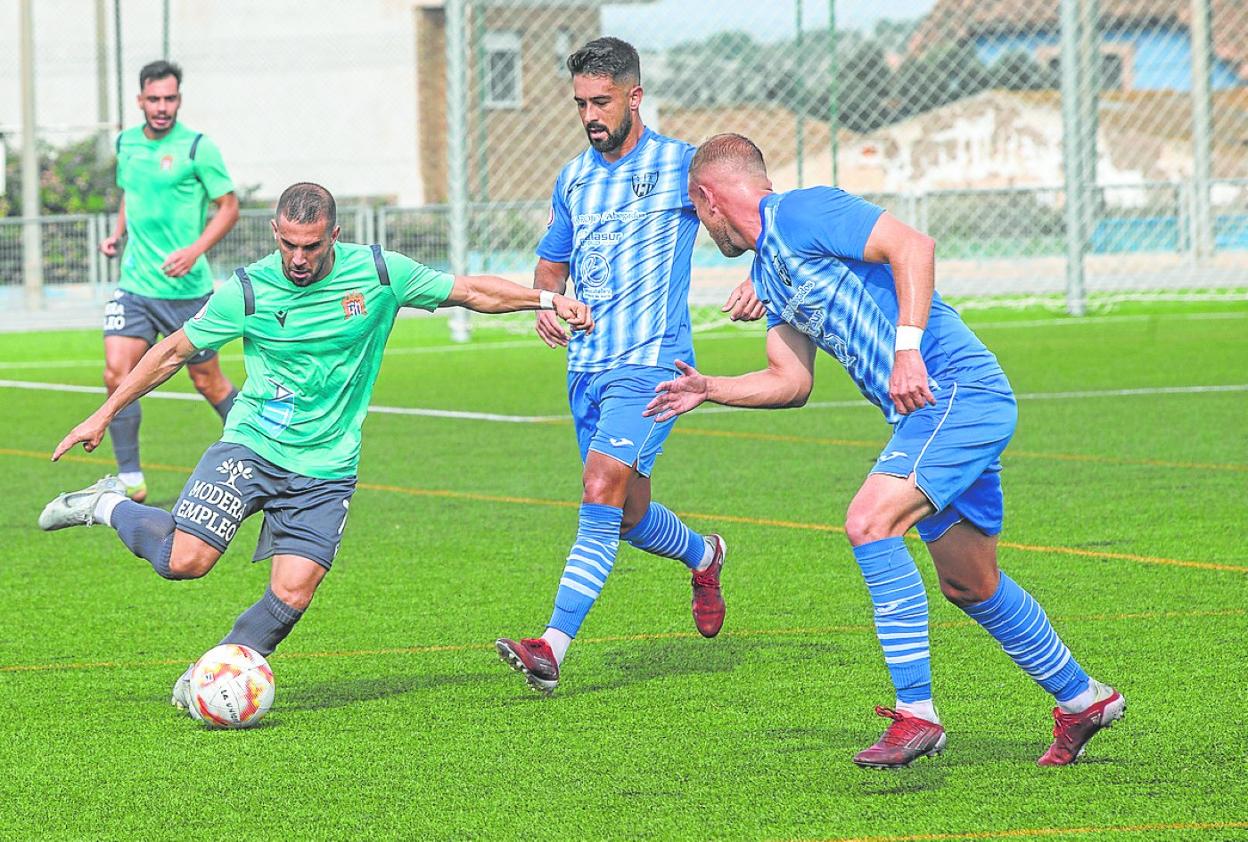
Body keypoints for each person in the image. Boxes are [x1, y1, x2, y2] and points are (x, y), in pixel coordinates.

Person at [644, 133, 1124, 768]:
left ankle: (915, 713)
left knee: (869, 523)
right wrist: (710, 389)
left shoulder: (803, 210)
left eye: (695, 213)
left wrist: (907, 348)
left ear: (707, 198)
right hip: (929, 414)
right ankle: (1082, 697)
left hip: (956, 391)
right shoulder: (769, 271)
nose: (703, 230)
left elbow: (912, 246)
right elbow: (790, 383)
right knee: (970, 583)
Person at [39, 182, 592, 713]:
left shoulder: (377, 273)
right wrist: (104, 412)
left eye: (311, 246)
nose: (298, 258)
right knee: (185, 562)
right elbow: (173, 352)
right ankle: (107, 504)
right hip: (253, 445)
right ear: (275, 233)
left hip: (327, 467)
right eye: (288, 244)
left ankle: (208, 673)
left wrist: (546, 298)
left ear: (334, 235)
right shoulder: (249, 290)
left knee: (293, 594)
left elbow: (470, 291)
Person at [495, 38, 762, 695]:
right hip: (586, 369)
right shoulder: (573, 178)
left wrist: (762, 276)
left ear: (634, 97)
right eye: (581, 102)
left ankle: (550, 646)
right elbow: (552, 262)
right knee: (628, 514)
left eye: (602, 101)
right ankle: (705, 555)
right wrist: (547, 302)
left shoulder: (681, 167)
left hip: (650, 368)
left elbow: (758, 218)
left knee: (598, 488)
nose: (590, 113)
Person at [100, 59, 242, 503]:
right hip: (136, 284)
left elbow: (229, 206)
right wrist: (118, 233)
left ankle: (271, 453)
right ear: (140, 100)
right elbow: (132, 193)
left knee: (209, 383)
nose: (162, 107)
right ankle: (129, 478)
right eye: (154, 99)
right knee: (116, 375)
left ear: (179, 99)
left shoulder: (199, 148)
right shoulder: (125, 143)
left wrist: (195, 250)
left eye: (170, 98)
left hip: (187, 292)